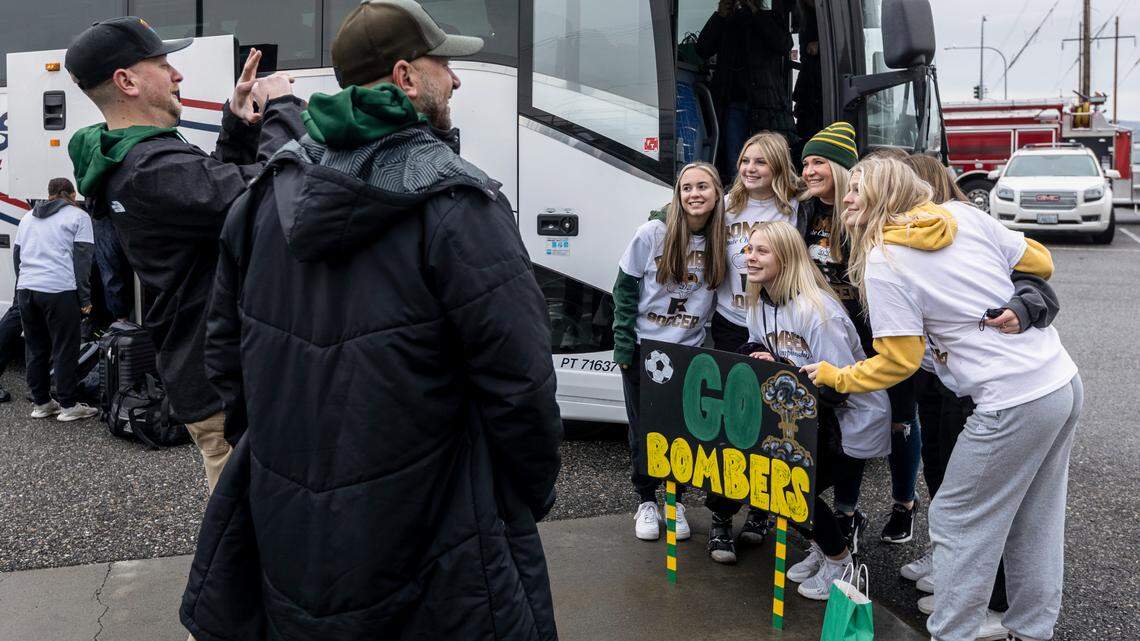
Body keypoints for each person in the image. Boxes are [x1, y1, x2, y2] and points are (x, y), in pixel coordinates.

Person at [181, 2, 563, 639]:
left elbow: (227, 360)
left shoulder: (261, 196)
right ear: (406, 77)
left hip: (292, 522)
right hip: (439, 531)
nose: (458, 79)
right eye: (446, 65)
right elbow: (521, 385)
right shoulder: (461, 202)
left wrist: (282, 455)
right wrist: (518, 498)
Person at [804, 157, 1081, 641]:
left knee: (955, 519)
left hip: (1008, 399)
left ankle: (952, 633)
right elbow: (1039, 261)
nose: (847, 197)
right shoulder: (963, 214)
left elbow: (898, 361)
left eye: (858, 190)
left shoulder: (884, 260)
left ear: (884, 197)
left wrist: (835, 375)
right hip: (1060, 381)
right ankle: (1031, 630)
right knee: (1036, 516)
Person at [65, 16, 304, 492]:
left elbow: (216, 205)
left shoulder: (140, 157)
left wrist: (236, 123)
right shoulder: (148, 167)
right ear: (127, 81)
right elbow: (266, 195)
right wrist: (283, 108)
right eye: (163, 64)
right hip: (219, 380)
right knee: (250, 528)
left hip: (207, 367)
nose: (177, 75)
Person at [898, 153, 1061, 641]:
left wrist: (1022, 307)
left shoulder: (965, 224)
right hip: (987, 379)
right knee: (991, 500)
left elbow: (1039, 276)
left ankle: (963, 619)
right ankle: (1017, 621)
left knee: (962, 511)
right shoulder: (924, 236)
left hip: (998, 390)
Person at [741, 220, 890, 599]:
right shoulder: (759, 301)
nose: (750, 257)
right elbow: (761, 352)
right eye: (748, 249)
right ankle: (824, 549)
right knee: (777, 484)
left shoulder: (818, 312)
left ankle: (842, 562)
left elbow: (839, 385)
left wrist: (785, 373)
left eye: (761, 251)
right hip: (807, 415)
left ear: (787, 256)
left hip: (850, 419)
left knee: (791, 488)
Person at [797, 122, 919, 550]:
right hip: (835, 335)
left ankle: (904, 503)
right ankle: (848, 512)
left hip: (878, 330)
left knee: (899, 421)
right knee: (846, 421)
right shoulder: (806, 211)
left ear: (840, 168)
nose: (810, 170)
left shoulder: (862, 213)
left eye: (819, 162)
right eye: (806, 162)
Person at [613, 161, 726, 544]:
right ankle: (646, 499)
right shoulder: (653, 233)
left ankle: (674, 500)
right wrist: (624, 345)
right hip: (646, 348)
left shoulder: (722, 239)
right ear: (678, 194)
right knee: (643, 428)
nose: (694, 194)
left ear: (717, 194)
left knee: (681, 431)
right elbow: (624, 289)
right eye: (687, 187)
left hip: (688, 352)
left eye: (703, 187)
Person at [705, 131, 800, 563]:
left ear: (778, 166)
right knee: (731, 424)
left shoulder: (795, 207)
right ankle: (720, 518)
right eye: (745, 160)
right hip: (731, 323)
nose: (750, 168)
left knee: (769, 422)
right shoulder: (726, 205)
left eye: (760, 162)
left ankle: (761, 510)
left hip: (773, 323)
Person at [13, 178, 98, 421]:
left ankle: (41, 403)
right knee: (64, 347)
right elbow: (83, 261)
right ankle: (69, 405)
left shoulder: (27, 217)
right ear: (70, 195)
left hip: (27, 288)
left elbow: (17, 256)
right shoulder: (78, 217)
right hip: (59, 289)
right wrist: (84, 298)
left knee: (36, 347)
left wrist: (23, 284)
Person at [697, 0, 797, 180]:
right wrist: (719, 16)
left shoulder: (769, 17)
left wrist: (755, 12)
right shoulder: (726, 21)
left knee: (768, 161)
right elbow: (702, 48)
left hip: (766, 106)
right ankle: (739, 200)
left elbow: (783, 44)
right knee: (737, 162)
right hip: (732, 103)